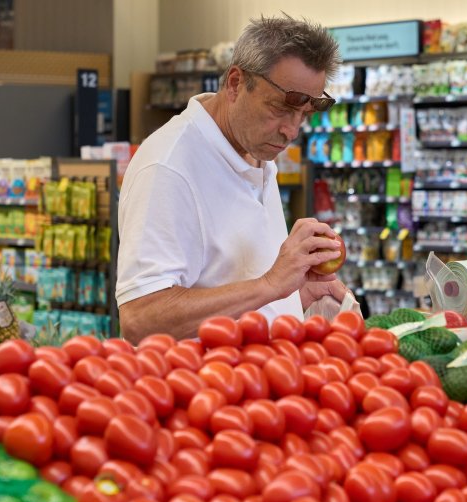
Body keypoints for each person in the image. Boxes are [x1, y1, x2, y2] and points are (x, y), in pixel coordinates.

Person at [116, 14, 349, 342]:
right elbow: (141, 318)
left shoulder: (255, 150)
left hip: (257, 383)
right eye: (280, 108)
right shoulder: (168, 167)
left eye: (304, 115)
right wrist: (270, 285)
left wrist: (291, 296)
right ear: (236, 83)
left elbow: (236, 284)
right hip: (202, 389)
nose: (291, 130)